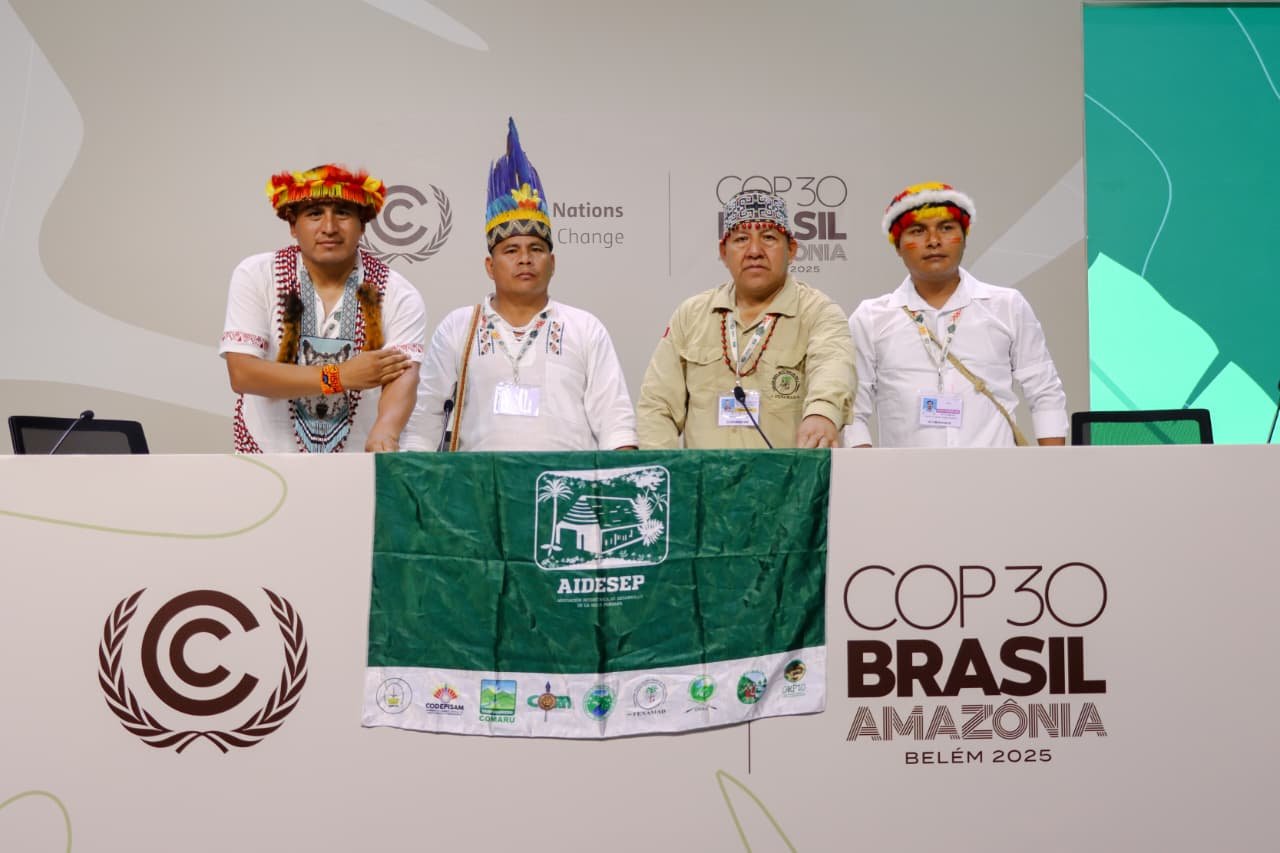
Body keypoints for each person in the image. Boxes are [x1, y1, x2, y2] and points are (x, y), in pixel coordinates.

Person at [417, 119, 636, 451]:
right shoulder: (458, 328)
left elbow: (615, 422)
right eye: (511, 250)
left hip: (565, 492)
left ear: (553, 263)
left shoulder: (584, 328)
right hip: (477, 493)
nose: (525, 259)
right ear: (490, 266)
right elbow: (426, 418)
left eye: (536, 249)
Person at [220, 164, 427, 452]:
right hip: (268, 458)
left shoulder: (398, 293)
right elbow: (242, 374)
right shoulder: (256, 275)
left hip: (358, 460)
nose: (329, 228)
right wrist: (338, 377)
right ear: (293, 226)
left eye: (342, 213)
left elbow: (403, 374)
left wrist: (386, 431)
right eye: (314, 214)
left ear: (363, 224)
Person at [846, 182, 1067, 448]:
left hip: (998, 478)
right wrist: (870, 472)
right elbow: (852, 408)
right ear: (898, 246)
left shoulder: (1007, 305)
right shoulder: (871, 318)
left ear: (964, 237)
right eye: (917, 231)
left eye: (946, 228)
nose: (934, 241)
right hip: (905, 482)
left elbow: (1044, 392)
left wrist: (1053, 469)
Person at [636, 190, 854, 449]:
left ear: (792, 249)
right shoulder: (691, 315)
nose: (754, 251)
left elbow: (833, 367)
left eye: (769, 238)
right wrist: (667, 472)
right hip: (705, 485)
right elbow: (657, 405)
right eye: (740, 239)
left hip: (789, 484)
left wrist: (822, 412)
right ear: (723, 252)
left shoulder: (818, 312)